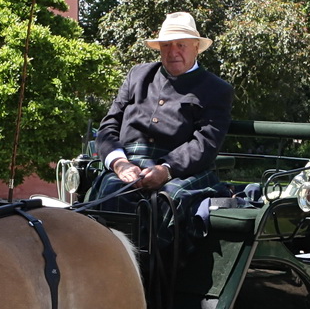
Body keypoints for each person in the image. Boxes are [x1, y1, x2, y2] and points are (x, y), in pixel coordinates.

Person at [94, 11, 234, 207]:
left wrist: (167, 169)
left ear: (196, 48)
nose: (173, 51)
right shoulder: (138, 75)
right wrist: (119, 163)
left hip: (181, 172)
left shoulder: (216, 89)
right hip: (127, 164)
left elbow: (206, 142)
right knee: (111, 194)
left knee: (168, 200)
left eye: (181, 45)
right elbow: (109, 126)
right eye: (166, 45)